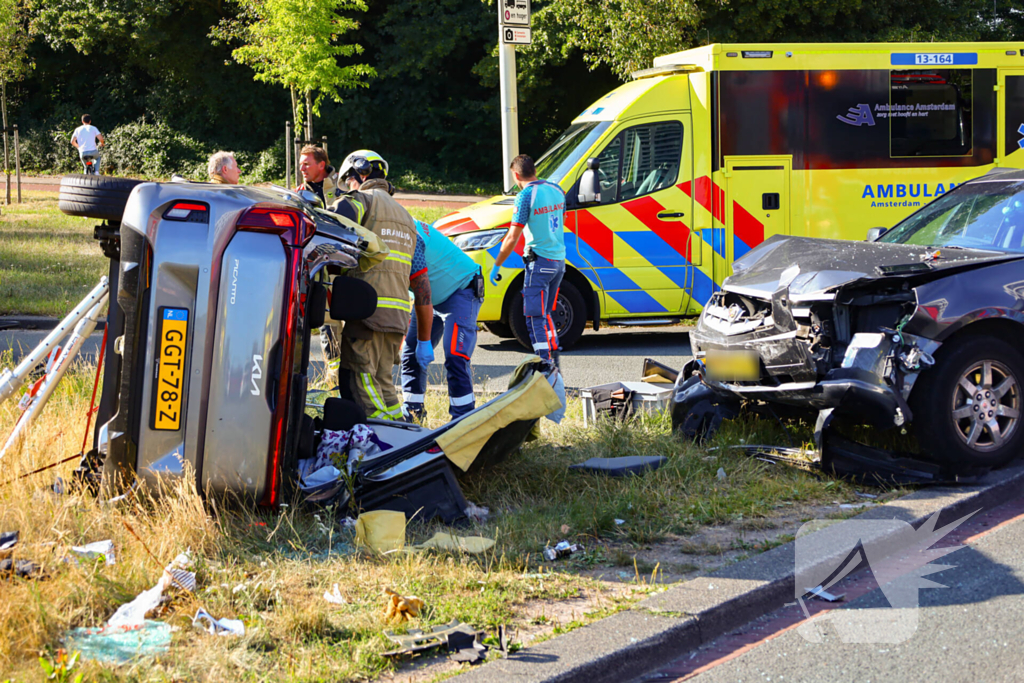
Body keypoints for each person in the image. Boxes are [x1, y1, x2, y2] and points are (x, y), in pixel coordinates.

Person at [326, 149, 434, 420]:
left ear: (360, 174)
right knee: (383, 384)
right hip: (397, 317)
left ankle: (383, 445)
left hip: (367, 313)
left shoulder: (361, 201)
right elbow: (418, 276)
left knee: (361, 386)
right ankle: (402, 432)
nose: (348, 188)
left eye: (349, 181)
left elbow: (329, 224)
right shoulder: (407, 218)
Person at [399, 218, 484, 421]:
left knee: (455, 356)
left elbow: (422, 291)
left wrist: (424, 340)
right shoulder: (399, 225)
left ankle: (463, 420)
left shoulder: (409, 235)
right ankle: (413, 413)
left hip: (461, 290)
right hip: (432, 297)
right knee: (410, 352)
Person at [490, 154, 566, 368]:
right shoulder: (556, 190)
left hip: (539, 263)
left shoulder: (525, 196)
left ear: (516, 174)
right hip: (558, 262)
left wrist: (497, 264)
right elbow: (562, 220)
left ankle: (543, 365)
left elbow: (512, 236)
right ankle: (553, 359)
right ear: (534, 170)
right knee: (546, 314)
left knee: (534, 316)